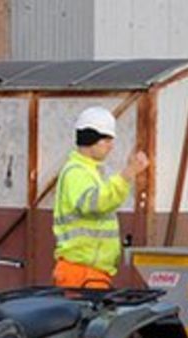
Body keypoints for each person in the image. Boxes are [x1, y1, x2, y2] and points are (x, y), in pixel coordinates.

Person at [52, 107, 149, 288]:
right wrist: (128, 174)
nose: (111, 145)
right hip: (80, 273)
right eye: (106, 139)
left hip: (90, 272)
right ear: (91, 138)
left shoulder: (90, 172)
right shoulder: (76, 172)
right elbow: (95, 203)